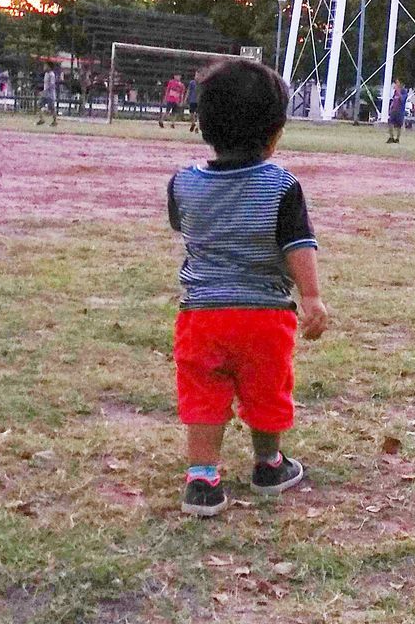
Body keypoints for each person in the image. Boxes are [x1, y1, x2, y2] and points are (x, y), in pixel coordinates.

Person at [167, 58, 329, 518]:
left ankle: (202, 479)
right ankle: (268, 465)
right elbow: (298, 244)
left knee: (202, 390)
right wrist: (312, 296)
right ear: (276, 132)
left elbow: (184, 226)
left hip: (200, 315)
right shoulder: (281, 185)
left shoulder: (183, 183)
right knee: (266, 388)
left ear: (202, 125)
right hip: (265, 316)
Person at [386, 79, 407, 143]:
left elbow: (402, 99)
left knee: (398, 125)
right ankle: (391, 137)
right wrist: (391, 107)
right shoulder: (395, 92)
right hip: (394, 110)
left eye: (397, 82)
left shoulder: (404, 91)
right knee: (390, 123)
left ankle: (397, 139)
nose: (396, 84)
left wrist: (398, 91)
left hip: (400, 111)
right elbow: (393, 100)